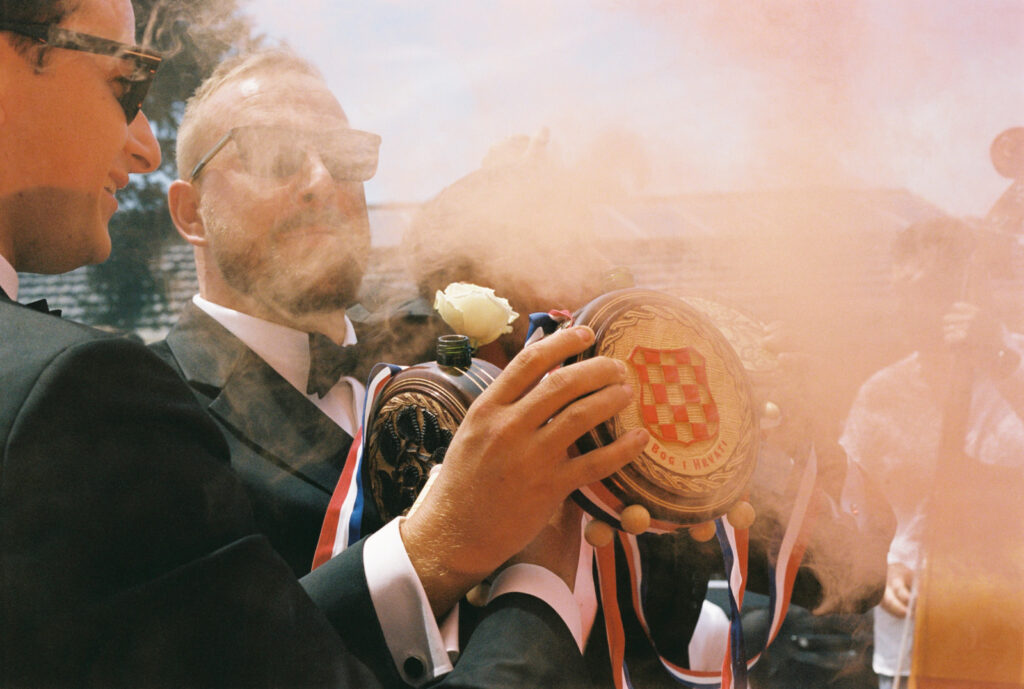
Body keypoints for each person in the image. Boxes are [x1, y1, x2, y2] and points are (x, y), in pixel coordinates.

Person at [0, 4, 646, 687]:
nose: (321, 183)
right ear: (190, 212)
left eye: (344, 158)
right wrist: (480, 555)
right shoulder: (116, 415)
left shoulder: (458, 353)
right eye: (275, 155)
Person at [840, 217, 1024, 689]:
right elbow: (850, 506)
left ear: (969, 289)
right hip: (911, 645)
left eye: (921, 292)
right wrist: (880, 566)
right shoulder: (881, 392)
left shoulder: (1016, 362)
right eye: (898, 293)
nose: (903, 309)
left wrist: (1000, 363)